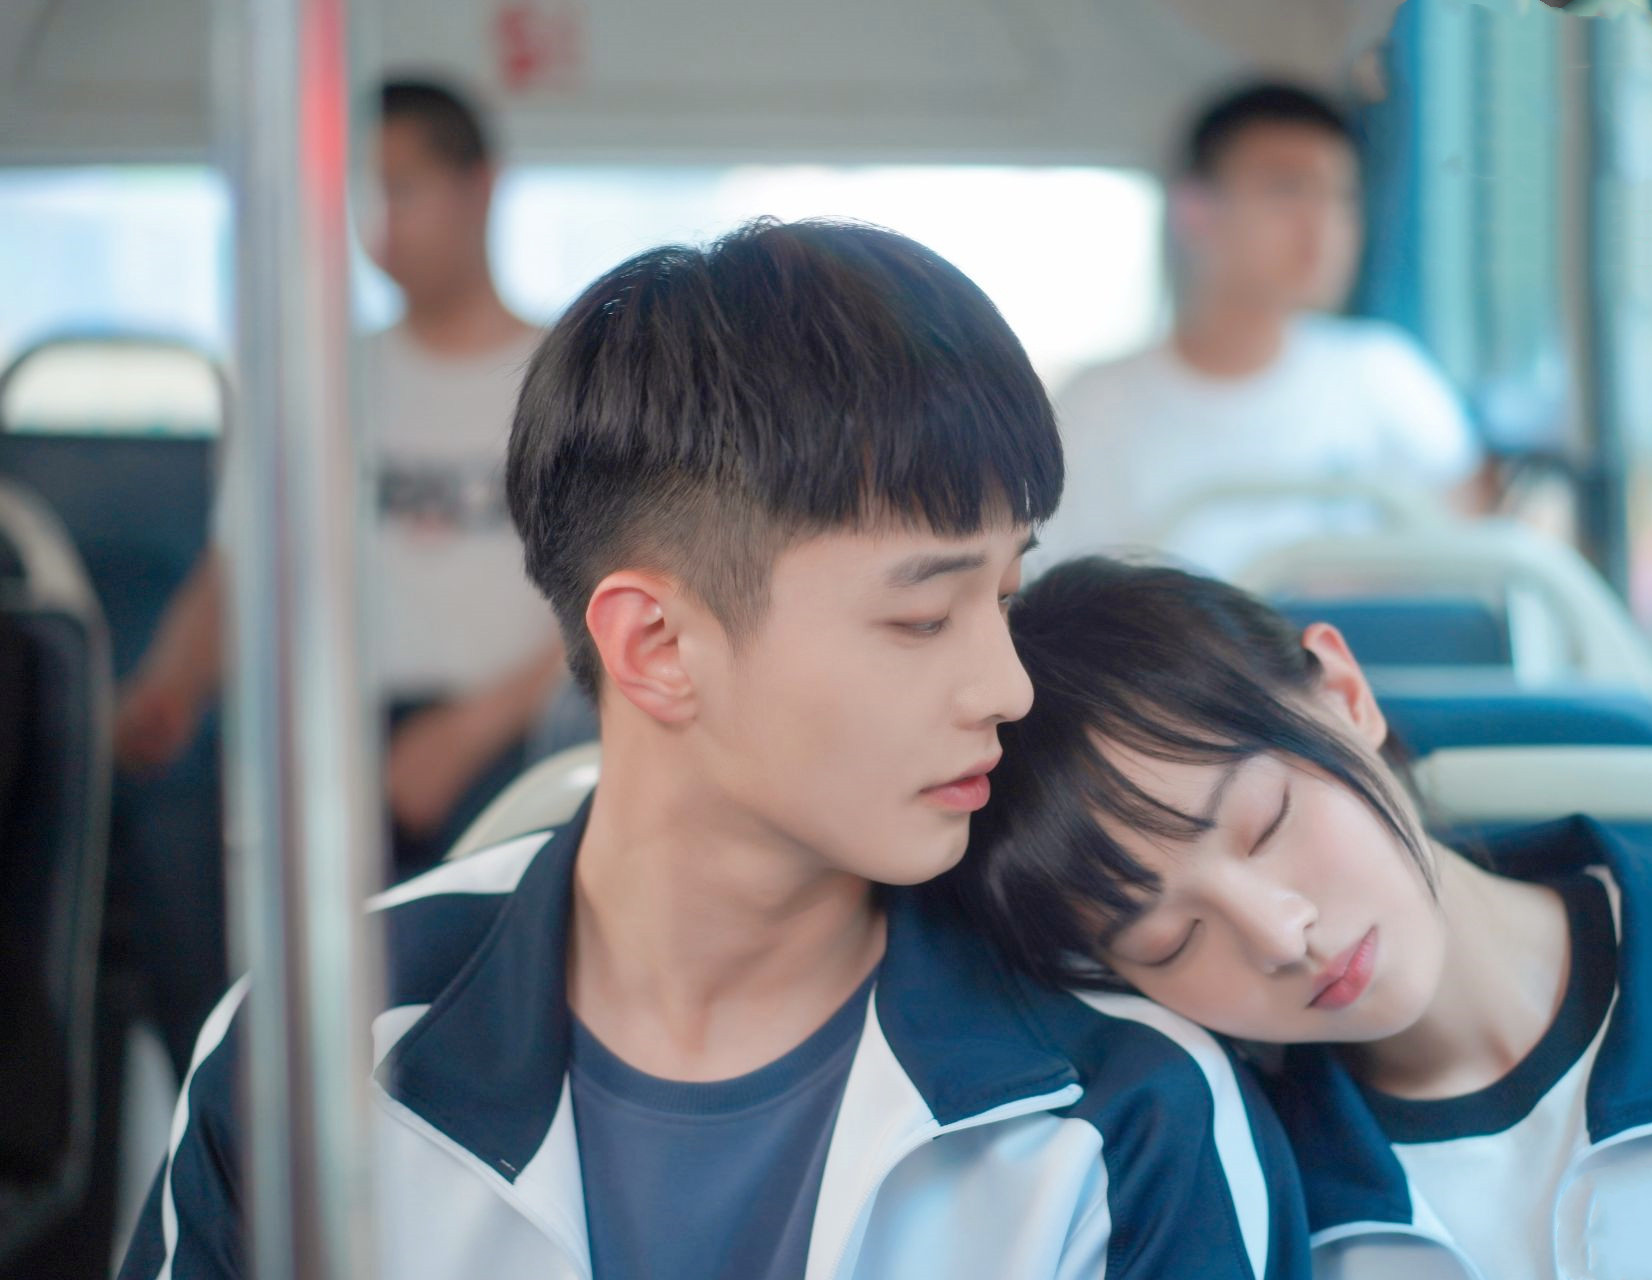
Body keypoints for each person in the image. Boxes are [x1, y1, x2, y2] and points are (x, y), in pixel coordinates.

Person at [118, 222, 1307, 1280]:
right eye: (922, 616)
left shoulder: (1125, 1101)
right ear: (659, 646)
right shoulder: (318, 1048)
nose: (1008, 685)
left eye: (1007, 592)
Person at [949, 555, 1652, 1280]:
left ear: (1344, 693)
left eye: (1266, 821)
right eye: (1172, 941)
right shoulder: (1231, 1196)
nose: (1281, 936)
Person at [113, 78, 563, 878]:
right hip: (335, 736)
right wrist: (169, 687)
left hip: (515, 735)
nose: (376, 225)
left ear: (480, 186)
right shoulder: (316, 379)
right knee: (184, 826)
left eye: (399, 189)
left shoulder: (570, 381)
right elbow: (238, 569)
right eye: (357, 197)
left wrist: (465, 735)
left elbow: (616, 595)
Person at [1040, 82, 1484, 580]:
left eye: (1340, 197)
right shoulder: (1093, 409)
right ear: (1195, 211)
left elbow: (1467, 569)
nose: (1321, 225)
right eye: (1286, 190)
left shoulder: (1386, 379)